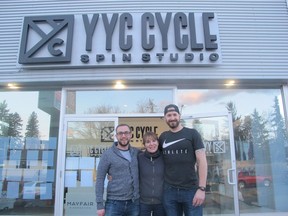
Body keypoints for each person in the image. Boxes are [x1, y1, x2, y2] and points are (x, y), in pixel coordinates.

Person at [159, 104, 208, 216]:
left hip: (191, 190)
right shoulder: (163, 137)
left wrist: (202, 188)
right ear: (165, 118)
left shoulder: (192, 134)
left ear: (179, 116)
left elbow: (202, 161)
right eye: (169, 115)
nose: (172, 118)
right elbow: (154, 158)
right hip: (169, 191)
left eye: (174, 114)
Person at [95, 124, 140, 216]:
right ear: (116, 136)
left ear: (130, 135)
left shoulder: (137, 153)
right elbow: (100, 179)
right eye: (120, 133)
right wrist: (99, 205)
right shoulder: (107, 155)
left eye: (126, 133)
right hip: (114, 204)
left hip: (134, 203)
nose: (123, 136)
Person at [138, 131, 166, 216]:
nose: (151, 144)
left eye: (154, 141)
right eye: (148, 142)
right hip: (143, 203)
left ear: (158, 142)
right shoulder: (139, 158)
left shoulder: (165, 157)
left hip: (161, 202)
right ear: (144, 145)